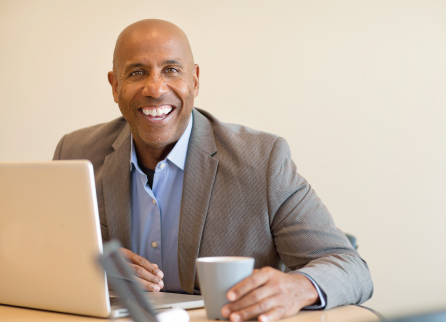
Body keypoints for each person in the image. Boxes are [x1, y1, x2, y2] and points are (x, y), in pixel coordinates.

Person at [53, 19, 373, 322]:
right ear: (115, 85)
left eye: (171, 70)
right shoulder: (76, 153)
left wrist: (299, 287)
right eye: (137, 72)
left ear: (194, 80)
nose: (154, 88)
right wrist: (87, 267)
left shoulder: (262, 160)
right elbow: (39, 257)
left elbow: (350, 268)